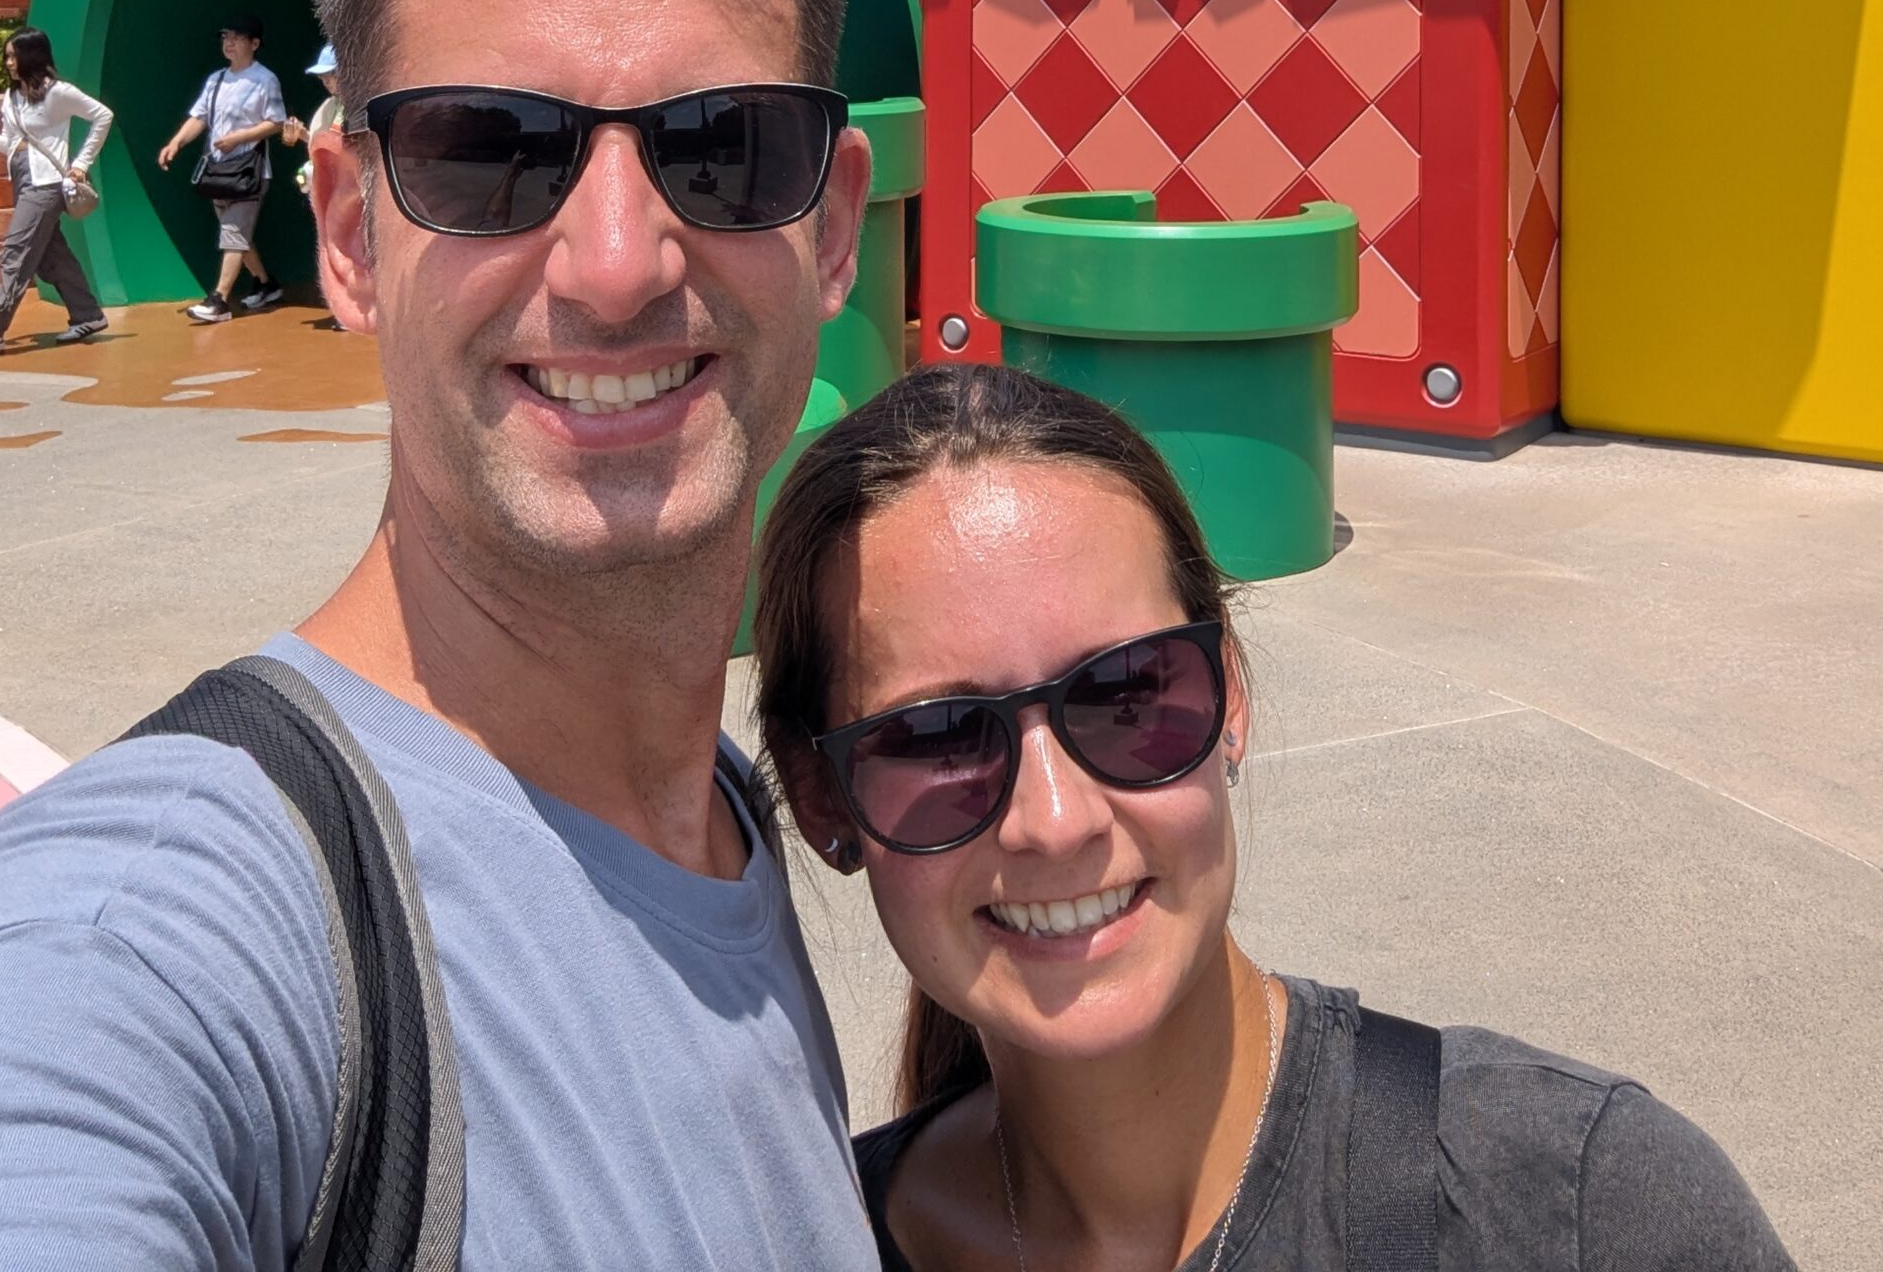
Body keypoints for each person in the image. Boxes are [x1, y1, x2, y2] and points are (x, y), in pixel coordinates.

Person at [0, 0, 881, 1269]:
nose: (615, 265)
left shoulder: (722, 813)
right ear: (349, 235)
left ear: (830, 228)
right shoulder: (140, 937)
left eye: (725, 145)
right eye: (488, 151)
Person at [753, 362, 1797, 1272]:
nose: (1056, 820)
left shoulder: (1574, 1207)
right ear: (820, 796)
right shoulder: (802, 1244)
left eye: (1128, 693)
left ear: (1232, 694)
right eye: (939, 738)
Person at [0, 28, 112, 357]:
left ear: (32, 55)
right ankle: (88, 315)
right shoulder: (12, 96)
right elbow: (14, 144)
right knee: (49, 254)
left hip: (45, 184)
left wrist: (81, 163)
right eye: (7, 56)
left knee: (15, 253)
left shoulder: (58, 93)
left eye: (13, 56)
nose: (8, 62)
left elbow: (103, 115)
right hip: (22, 178)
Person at [156, 10, 288, 322]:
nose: (229, 43)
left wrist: (239, 137)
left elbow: (276, 122)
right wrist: (176, 143)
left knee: (233, 234)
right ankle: (266, 285)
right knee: (238, 236)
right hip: (219, 171)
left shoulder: (265, 79)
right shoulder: (216, 79)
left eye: (237, 38)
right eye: (226, 37)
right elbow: (199, 117)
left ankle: (219, 301)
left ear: (254, 43)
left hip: (249, 172)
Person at [282, 41, 343, 193]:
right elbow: (329, 146)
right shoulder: (333, 104)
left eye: (332, 74)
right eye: (322, 76)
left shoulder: (356, 104)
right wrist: (302, 134)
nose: (326, 81)